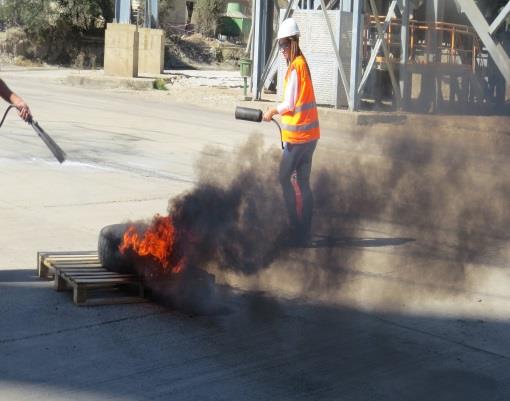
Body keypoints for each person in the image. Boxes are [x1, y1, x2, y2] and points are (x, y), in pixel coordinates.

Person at [263, 18, 320, 246]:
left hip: (298, 139)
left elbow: (289, 104)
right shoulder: (301, 64)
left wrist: (272, 111)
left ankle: (295, 227)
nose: (282, 51)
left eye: (284, 46)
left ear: (293, 43)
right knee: (303, 184)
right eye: (280, 46)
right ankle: (304, 232)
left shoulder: (296, 67)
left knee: (283, 178)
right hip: (310, 137)